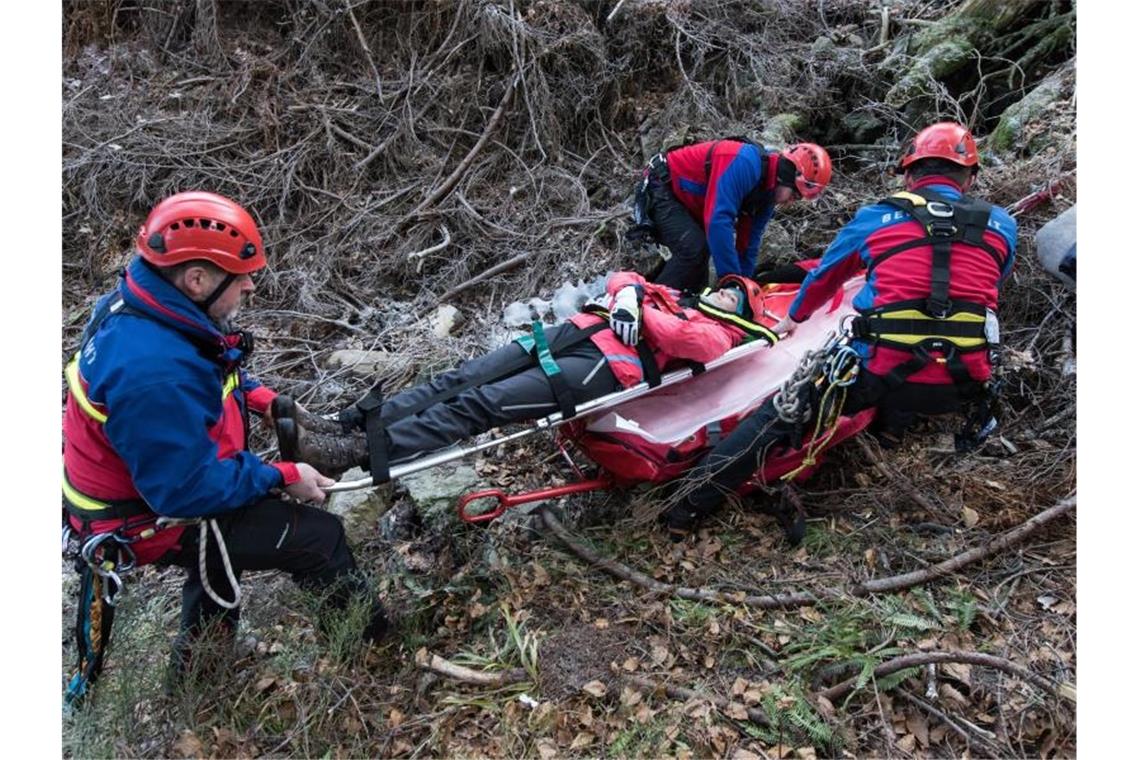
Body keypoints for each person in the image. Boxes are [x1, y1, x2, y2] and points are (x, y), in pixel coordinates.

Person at [62, 191, 389, 691]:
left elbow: (210, 369)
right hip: (149, 516)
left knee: (219, 560)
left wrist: (264, 399)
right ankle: (373, 654)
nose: (251, 285)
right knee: (318, 539)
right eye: (242, 279)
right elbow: (185, 492)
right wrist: (283, 475)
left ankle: (196, 685)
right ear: (197, 279)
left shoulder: (146, 302)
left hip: (143, 490)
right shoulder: (153, 370)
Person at [662, 121, 1018, 536]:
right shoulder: (1002, 225)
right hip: (965, 381)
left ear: (909, 175)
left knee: (781, 413)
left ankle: (684, 509)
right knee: (913, 369)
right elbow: (990, 283)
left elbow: (825, 278)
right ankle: (891, 431)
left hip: (884, 368)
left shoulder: (879, 216)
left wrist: (793, 320)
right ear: (971, 177)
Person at [274, 272, 780, 479]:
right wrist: (628, 292)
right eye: (725, 287)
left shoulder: (723, 335)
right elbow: (626, 278)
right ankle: (343, 424)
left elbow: (685, 344)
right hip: (569, 337)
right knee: (457, 379)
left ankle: (353, 454)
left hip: (596, 371)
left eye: (733, 296)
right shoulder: (675, 297)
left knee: (478, 405)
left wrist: (639, 309)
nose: (721, 293)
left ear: (741, 312)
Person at [628, 138, 832, 293]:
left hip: (687, 202)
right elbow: (717, 222)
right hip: (662, 187)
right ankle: (642, 305)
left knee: (697, 287)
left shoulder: (767, 196)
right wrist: (732, 282)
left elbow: (748, 246)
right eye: (796, 194)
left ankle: (674, 314)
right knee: (694, 250)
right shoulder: (745, 163)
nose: (791, 202)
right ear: (788, 175)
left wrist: (745, 286)